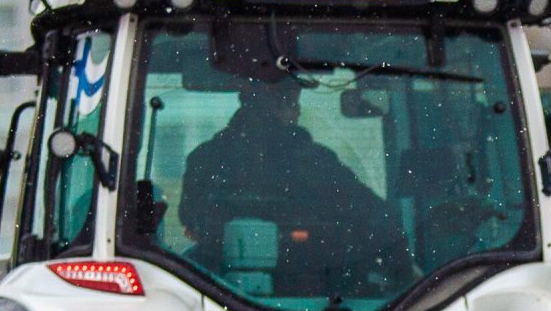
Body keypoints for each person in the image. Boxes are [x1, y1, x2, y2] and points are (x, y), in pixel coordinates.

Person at [176, 78, 412, 293]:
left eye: (293, 101)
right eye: (287, 101)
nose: (296, 111)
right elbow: (379, 219)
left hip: (220, 293)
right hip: (312, 296)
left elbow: (191, 220)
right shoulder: (316, 162)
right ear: (254, 102)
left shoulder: (206, 158)